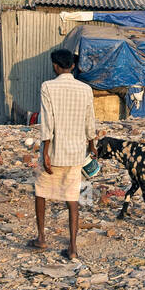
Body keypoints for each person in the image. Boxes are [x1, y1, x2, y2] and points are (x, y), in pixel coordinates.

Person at [31, 48, 96, 260]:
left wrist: (47, 152)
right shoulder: (86, 89)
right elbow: (90, 119)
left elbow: (47, 121)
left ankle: (41, 238)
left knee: (41, 192)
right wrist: (92, 144)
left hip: (55, 151)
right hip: (76, 152)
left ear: (55, 66)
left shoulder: (48, 86)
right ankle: (73, 247)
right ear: (73, 66)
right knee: (72, 198)